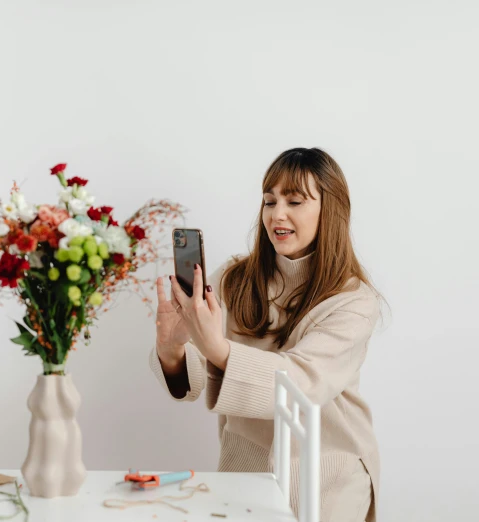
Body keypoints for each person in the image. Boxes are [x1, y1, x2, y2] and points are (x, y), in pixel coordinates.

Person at [151, 147, 384, 522]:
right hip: (245, 462)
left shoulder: (354, 300)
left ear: (331, 210)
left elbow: (302, 383)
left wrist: (219, 349)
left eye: (295, 201)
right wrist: (172, 348)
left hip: (329, 469)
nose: (277, 214)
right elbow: (191, 380)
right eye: (269, 201)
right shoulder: (234, 280)